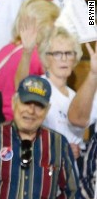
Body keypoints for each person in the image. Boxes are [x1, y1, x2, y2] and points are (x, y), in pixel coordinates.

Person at [0, 0, 59, 121]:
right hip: (19, 120)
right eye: (54, 23)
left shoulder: (6, 49)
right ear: (43, 26)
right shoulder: (35, 57)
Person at [35, 28, 86, 157]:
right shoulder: (38, 88)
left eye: (69, 53)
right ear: (46, 58)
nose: (64, 58)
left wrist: (77, 150)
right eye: (57, 53)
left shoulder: (75, 96)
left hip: (74, 170)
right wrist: (62, 149)